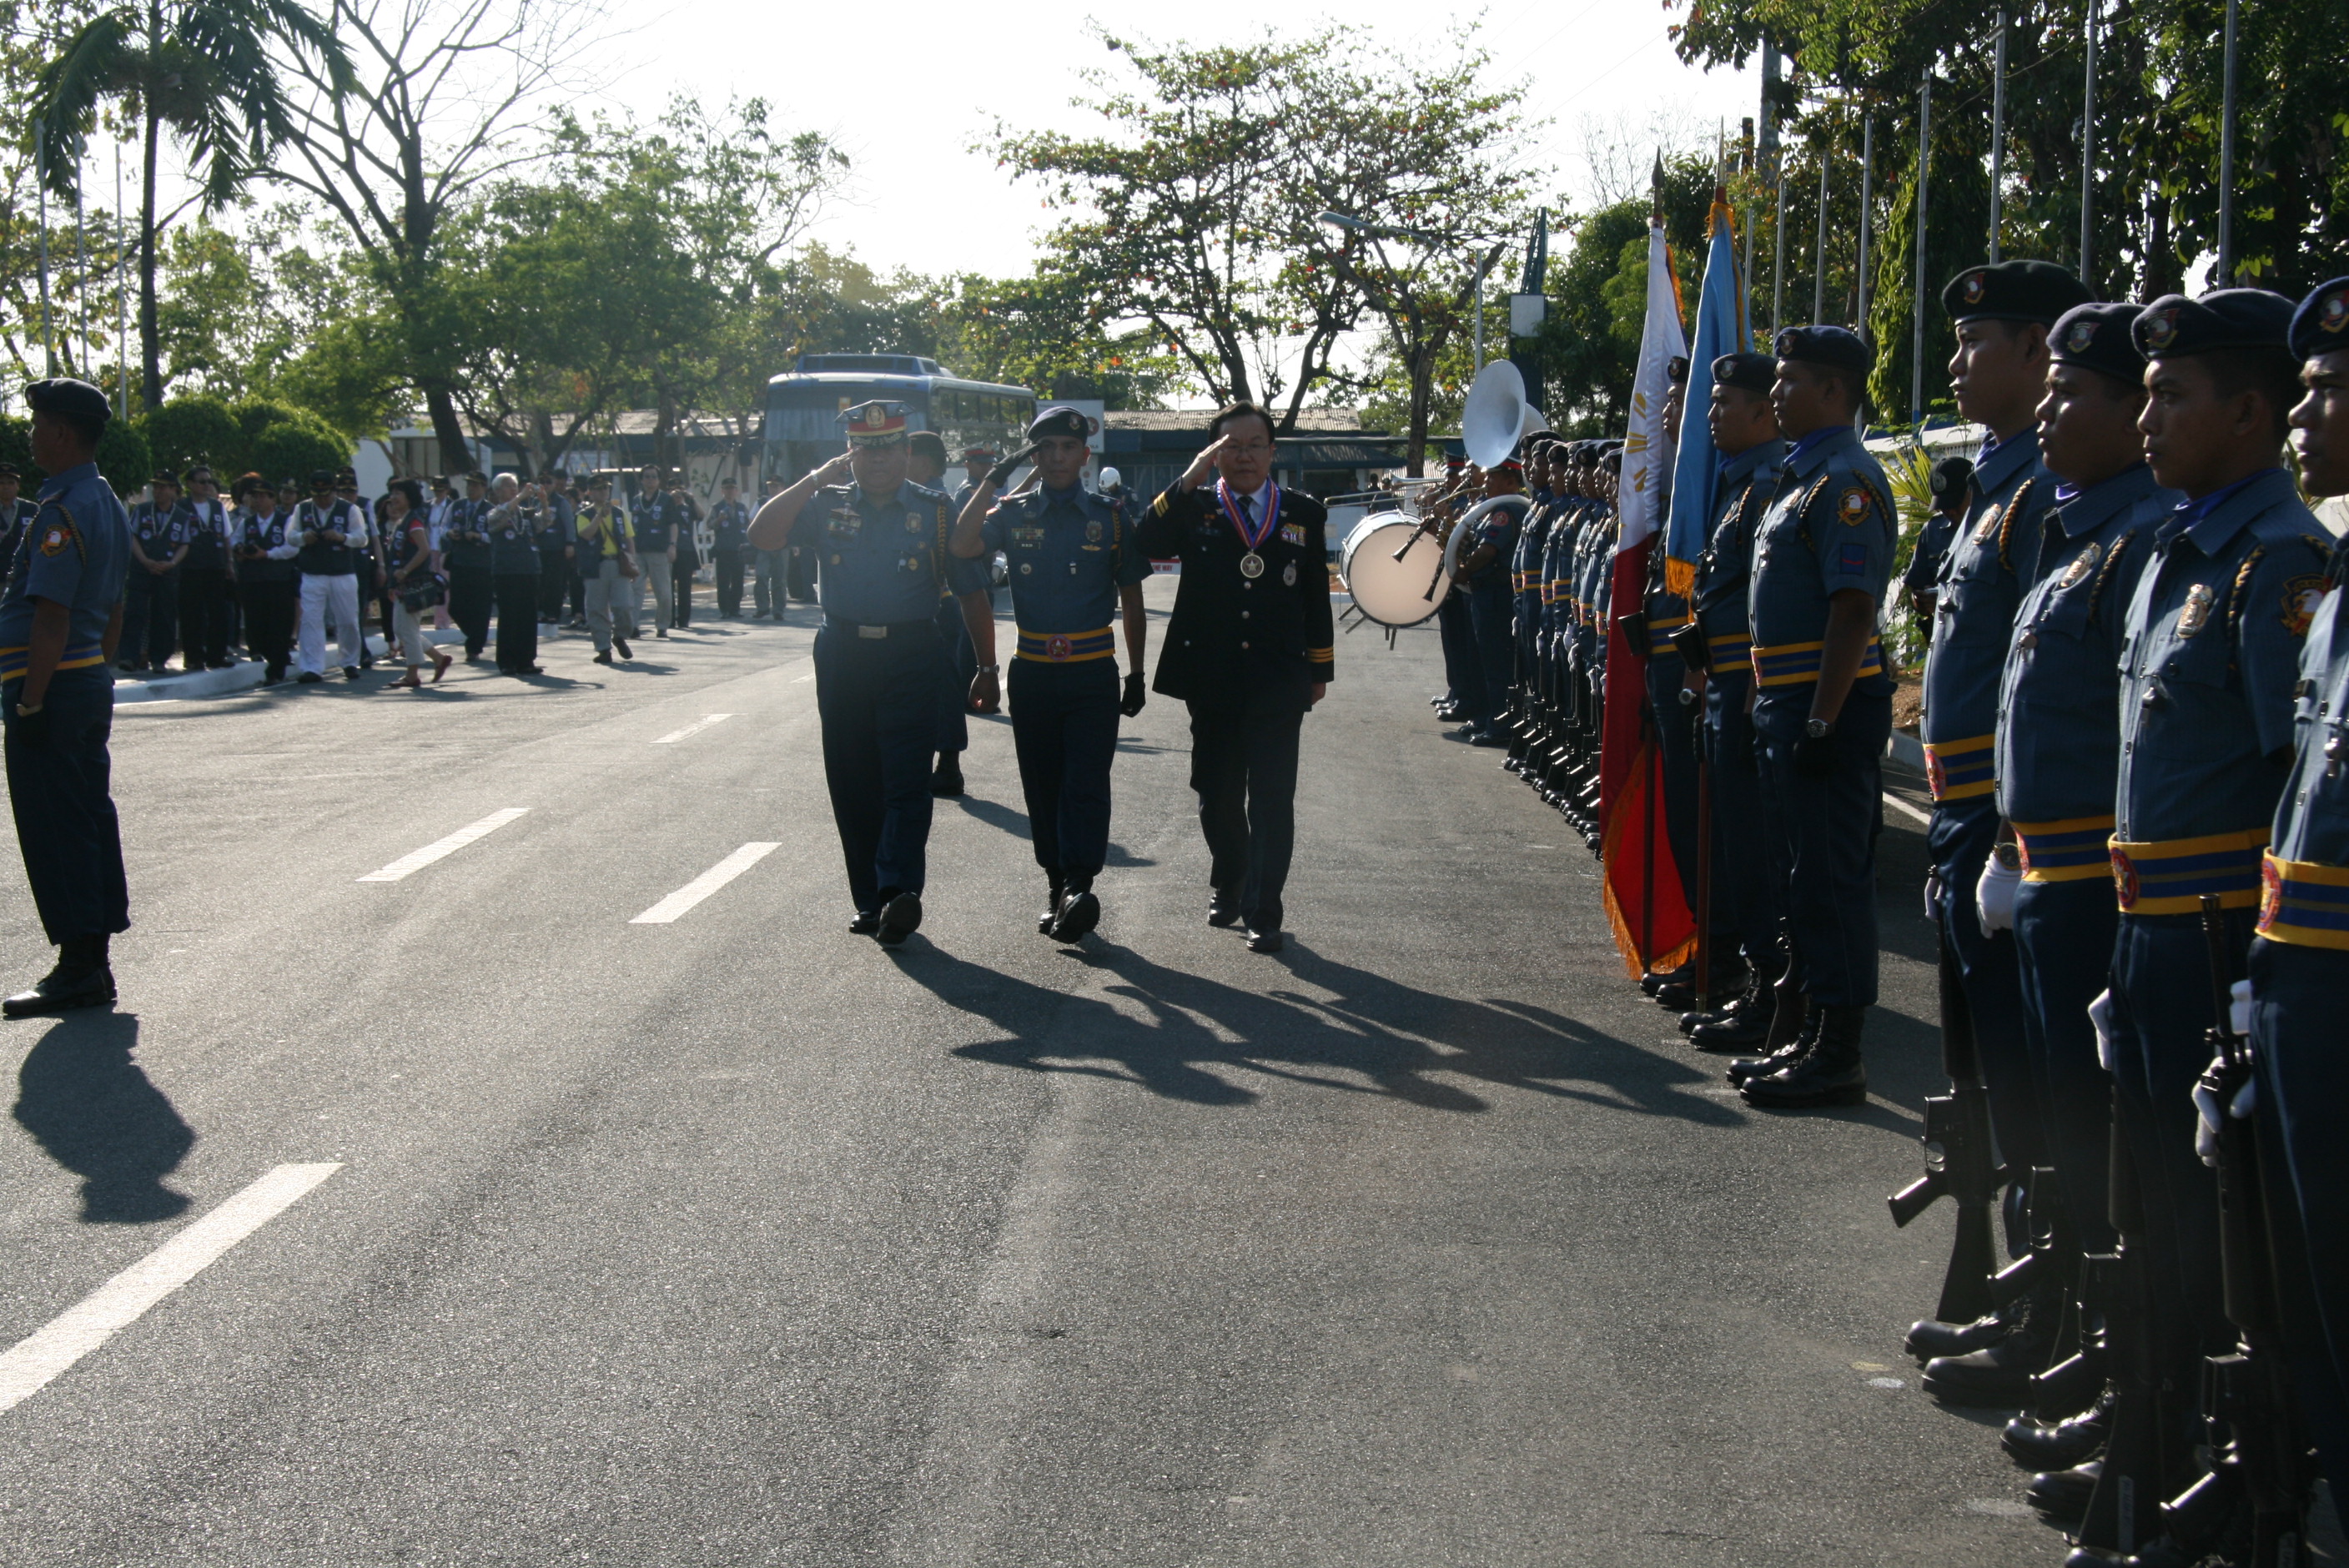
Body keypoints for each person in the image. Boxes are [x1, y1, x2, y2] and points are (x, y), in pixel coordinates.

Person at [1930, 304, 2179, 1406]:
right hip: (2038, 868)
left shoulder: (2143, 540)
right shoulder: (2082, 530)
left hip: (2103, 888)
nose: (2048, 409)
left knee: (2090, 1130)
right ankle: (2051, 1318)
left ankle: (2091, 1349)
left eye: (2072, 392)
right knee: (2042, 1117)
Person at [2102, 288, 2328, 1484]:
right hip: (2148, 926)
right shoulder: (2179, 550)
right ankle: (2154, 1426)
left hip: (2219, 937)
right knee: (2150, 1193)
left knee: (2222, 1224)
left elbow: (2290, 779)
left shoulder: (2278, 563)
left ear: (2247, 413)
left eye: (2172, 396)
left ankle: (2218, 1456)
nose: (2146, 419)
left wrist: (2249, 976)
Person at [1727, 326, 1898, 1110]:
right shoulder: (1803, 480)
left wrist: (1824, 723)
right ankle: (1810, 1032)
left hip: (1821, 712)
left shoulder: (1846, 483)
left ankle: (1840, 1051)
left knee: (1831, 882)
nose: (1777, 393)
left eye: (1790, 381)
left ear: (1833, 391)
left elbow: (1853, 610)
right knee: (1801, 879)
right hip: (1786, 706)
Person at [747, 400, 991, 944]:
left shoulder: (937, 510)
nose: (877, 459)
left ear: (906, 451)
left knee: (907, 780)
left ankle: (898, 891)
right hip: (844, 654)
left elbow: (971, 592)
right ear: (849, 453)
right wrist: (815, 478)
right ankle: (870, 900)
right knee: (853, 779)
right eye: (865, 448)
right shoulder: (825, 502)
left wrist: (986, 666)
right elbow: (763, 535)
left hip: (913, 653)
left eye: (887, 448)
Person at [2247, 274, 2349, 1505]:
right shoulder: (2333, 592)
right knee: (2314, 1286)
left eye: (2328, 389)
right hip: (2297, 981)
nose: (2303, 413)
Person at [1134, 401, 1334, 953]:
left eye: (1254, 445)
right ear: (1214, 454)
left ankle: (1263, 911)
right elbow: (1146, 541)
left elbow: (1316, 595)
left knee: (1272, 798)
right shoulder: (1195, 505)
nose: (1244, 456)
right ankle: (1230, 881)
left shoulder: (1303, 512)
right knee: (1217, 792)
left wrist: (1320, 667)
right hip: (1212, 676)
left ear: (1272, 451)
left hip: (1278, 677)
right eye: (1231, 447)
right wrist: (1190, 477)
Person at [952, 405, 1150, 942]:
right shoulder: (1011, 512)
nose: (1058, 457)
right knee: (1043, 786)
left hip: (1092, 675)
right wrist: (994, 479)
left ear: (1085, 456)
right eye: (1046, 449)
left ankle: (1079, 885)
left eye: (1068, 447)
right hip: (1034, 674)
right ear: (1034, 457)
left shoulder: (1111, 517)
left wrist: (1136, 673)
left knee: (1086, 783)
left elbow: (1132, 597)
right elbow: (962, 544)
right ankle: (1056, 885)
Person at [1, 379, 131, 1017]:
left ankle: (80, 967)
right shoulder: (104, 500)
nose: (30, 439)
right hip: (83, 679)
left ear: (60, 434)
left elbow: (51, 615)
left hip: (52, 686)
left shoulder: (61, 509)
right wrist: (99, 668)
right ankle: (91, 963)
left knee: (56, 825)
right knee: (84, 817)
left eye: (36, 427)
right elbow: (116, 602)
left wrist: (31, 702)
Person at [1677, 352, 1789, 1052]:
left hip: (1748, 693)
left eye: (1723, 403)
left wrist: (1746, 697)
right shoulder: (1738, 485)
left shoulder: (1767, 486)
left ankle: (1769, 993)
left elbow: (1762, 609)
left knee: (1756, 855)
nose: (1710, 415)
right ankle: (1749, 983)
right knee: (1734, 848)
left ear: (1763, 410)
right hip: (1722, 686)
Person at [910, 431, 978, 796]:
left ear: (924, 462)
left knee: (942, 687)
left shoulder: (934, 505)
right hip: (931, 607)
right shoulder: (921, 499)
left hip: (936, 607)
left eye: (906, 455)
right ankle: (943, 762)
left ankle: (948, 764)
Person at [292, 467, 370, 682]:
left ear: (334, 491)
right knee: (311, 620)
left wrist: (342, 537)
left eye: (325, 494)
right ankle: (312, 667)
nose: (321, 499)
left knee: (348, 620)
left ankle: (349, 662)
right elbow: (291, 535)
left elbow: (362, 538)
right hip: (312, 572)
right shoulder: (302, 508)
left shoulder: (349, 509)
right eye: (317, 495)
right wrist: (303, 537)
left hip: (342, 572)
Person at [380, 479, 450, 689]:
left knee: (406, 630)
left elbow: (424, 550)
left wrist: (405, 571)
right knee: (403, 629)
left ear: (409, 497)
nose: (393, 498)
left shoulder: (414, 522)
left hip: (412, 585)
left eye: (398, 494)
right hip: (402, 585)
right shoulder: (404, 521)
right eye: (392, 493)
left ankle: (412, 675)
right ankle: (438, 658)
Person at [233, 473, 300, 685]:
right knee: (256, 626)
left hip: (279, 580)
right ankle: (273, 659)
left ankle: (276, 669)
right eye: (255, 496)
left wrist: (268, 554)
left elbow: (292, 548)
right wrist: (241, 550)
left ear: (273, 499)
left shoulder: (286, 521)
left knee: (279, 625)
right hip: (253, 581)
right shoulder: (247, 523)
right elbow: (234, 541)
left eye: (263, 496)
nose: (258, 500)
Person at [122, 469, 190, 674]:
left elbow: (184, 544)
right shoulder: (142, 510)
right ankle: (130, 657)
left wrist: (172, 563)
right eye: (156, 487)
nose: (158, 491)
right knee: (135, 612)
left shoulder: (182, 516)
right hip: (142, 569)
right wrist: (145, 560)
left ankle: (159, 659)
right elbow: (132, 537)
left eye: (163, 487)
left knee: (164, 615)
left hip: (167, 572)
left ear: (173, 490)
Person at [1899, 455, 1973, 633]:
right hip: (1942, 634)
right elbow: (1915, 585)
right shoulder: (1933, 530)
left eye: (1955, 503)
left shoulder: (1997, 528)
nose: (1950, 511)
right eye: (1944, 506)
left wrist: (1949, 601)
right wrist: (1922, 601)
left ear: (1973, 490)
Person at [574, 475, 636, 665]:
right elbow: (586, 534)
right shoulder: (584, 515)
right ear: (590, 492)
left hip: (618, 563)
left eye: (606, 488)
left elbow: (629, 538)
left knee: (623, 605)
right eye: (599, 488)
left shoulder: (618, 513)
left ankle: (620, 635)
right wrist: (599, 516)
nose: (603, 492)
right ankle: (603, 648)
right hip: (596, 565)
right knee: (597, 608)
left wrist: (632, 561)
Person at [486, 474, 543, 676]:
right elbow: (497, 521)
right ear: (498, 491)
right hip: (507, 570)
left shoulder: (524, 513)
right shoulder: (495, 512)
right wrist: (520, 497)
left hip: (529, 568)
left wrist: (544, 502)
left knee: (528, 616)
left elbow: (543, 524)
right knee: (509, 615)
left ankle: (526, 660)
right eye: (508, 486)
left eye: (515, 486)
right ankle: (507, 660)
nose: (513, 489)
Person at [627, 464, 687, 638]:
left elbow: (673, 524)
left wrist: (672, 545)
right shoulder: (636, 500)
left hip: (659, 551)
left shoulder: (666, 499)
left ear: (659, 480)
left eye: (654, 477)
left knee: (664, 593)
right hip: (639, 550)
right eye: (647, 476)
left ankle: (662, 625)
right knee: (635, 590)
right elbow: (631, 525)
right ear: (641, 480)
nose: (650, 480)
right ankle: (632, 626)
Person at [442, 471, 494, 661]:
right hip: (460, 561)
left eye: (476, 485)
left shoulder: (491, 510)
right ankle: (475, 633)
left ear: (484, 488)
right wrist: (449, 533)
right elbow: (443, 527)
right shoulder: (456, 505)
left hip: (482, 564)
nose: (471, 488)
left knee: (480, 606)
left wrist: (479, 536)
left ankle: (474, 647)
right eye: (469, 484)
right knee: (455, 607)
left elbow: (495, 536)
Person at [535, 471, 576, 628]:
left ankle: (553, 613)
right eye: (542, 481)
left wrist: (570, 544)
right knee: (542, 582)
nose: (545, 485)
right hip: (540, 547)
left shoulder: (561, 502)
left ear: (554, 484)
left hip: (557, 548)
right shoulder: (535, 501)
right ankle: (544, 612)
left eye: (549, 482)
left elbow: (569, 524)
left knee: (556, 582)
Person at [708, 475, 750, 618]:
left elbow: (749, 524)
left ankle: (735, 608)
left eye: (732, 488)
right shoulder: (717, 507)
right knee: (723, 581)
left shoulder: (741, 507)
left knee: (738, 581)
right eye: (727, 488)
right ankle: (725, 609)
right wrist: (719, 520)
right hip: (723, 549)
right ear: (722, 491)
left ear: (736, 491)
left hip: (739, 549)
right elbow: (709, 525)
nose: (730, 491)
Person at [0, 462, 35, 592]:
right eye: (1, 483)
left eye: (11, 483)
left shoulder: (31, 509)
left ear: (18, 486)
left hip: (23, 576)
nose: (6, 487)